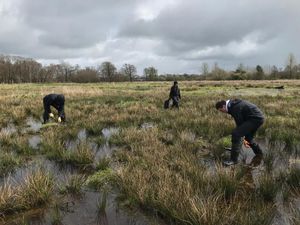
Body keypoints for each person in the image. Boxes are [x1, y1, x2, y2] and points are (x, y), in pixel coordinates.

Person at [215, 99, 265, 166]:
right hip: (256, 118)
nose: (222, 112)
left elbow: (240, 124)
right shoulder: (232, 105)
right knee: (248, 138)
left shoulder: (234, 108)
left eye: (221, 110)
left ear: (223, 106)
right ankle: (259, 153)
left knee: (236, 134)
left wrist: (240, 136)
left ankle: (233, 160)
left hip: (255, 119)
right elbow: (240, 124)